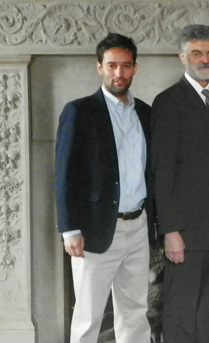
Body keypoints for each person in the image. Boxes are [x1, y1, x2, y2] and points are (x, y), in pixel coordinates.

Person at [55, 32, 154, 343]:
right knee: (88, 315)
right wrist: (69, 228)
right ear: (99, 67)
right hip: (95, 228)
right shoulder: (80, 112)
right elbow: (64, 172)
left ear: (135, 68)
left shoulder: (146, 114)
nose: (119, 73)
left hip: (138, 226)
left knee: (136, 311)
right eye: (112, 65)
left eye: (126, 66)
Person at [151, 24, 209, 343]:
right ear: (182, 57)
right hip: (184, 230)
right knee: (181, 311)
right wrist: (170, 230)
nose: (206, 59)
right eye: (198, 53)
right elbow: (161, 170)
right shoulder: (169, 102)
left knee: (207, 311)